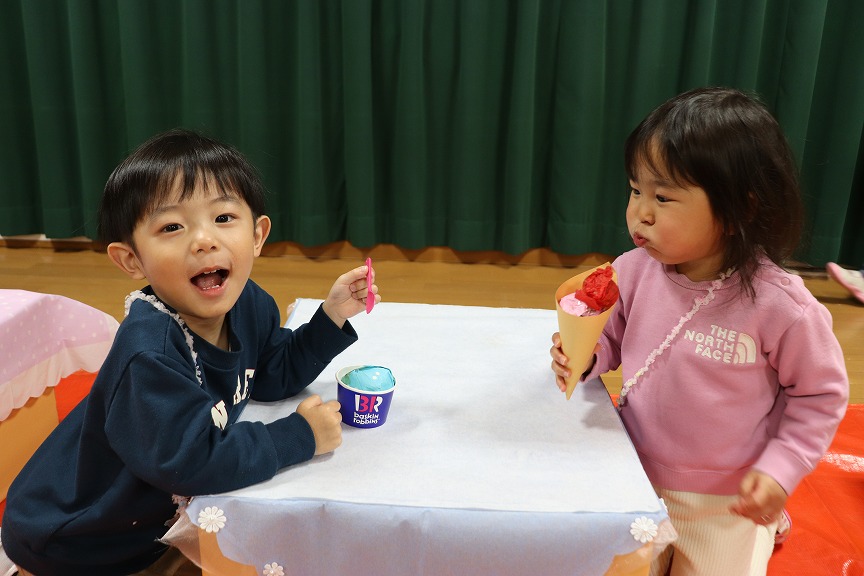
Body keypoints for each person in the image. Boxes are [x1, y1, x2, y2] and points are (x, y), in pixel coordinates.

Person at [0, 129, 379, 576]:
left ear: (257, 235)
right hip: (77, 537)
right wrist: (299, 436)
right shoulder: (150, 355)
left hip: (146, 518)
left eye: (223, 217)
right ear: (131, 260)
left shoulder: (248, 302)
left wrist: (330, 317)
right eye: (172, 227)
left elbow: (270, 372)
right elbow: (193, 462)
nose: (203, 240)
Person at [550, 88, 848, 575]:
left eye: (663, 197)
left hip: (727, 502)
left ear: (740, 210)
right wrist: (585, 355)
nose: (641, 213)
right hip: (632, 473)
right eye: (635, 190)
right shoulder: (633, 270)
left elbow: (819, 395)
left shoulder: (783, 306)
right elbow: (610, 337)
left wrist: (780, 470)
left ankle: (765, 525)